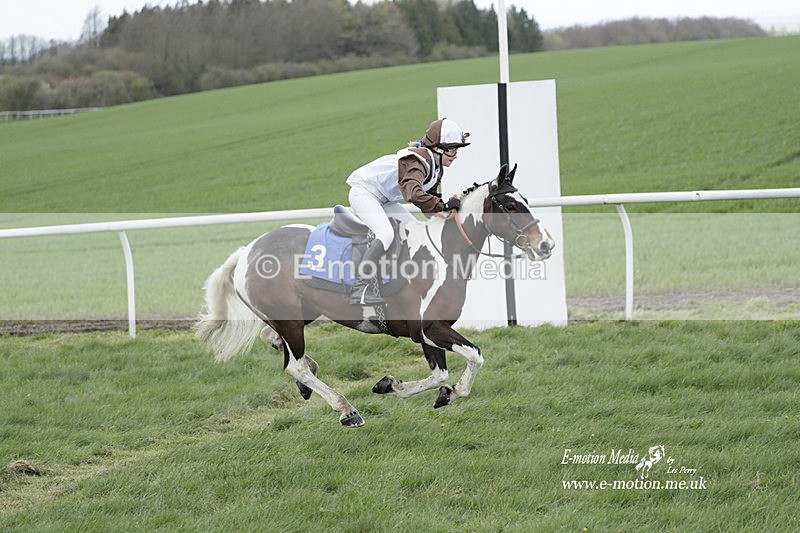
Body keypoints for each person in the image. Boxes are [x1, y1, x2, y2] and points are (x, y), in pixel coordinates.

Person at [345, 118, 470, 305]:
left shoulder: (437, 167)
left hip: (384, 199)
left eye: (457, 150)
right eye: (452, 150)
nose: (455, 155)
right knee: (385, 234)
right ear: (438, 148)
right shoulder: (417, 161)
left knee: (416, 230)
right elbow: (414, 194)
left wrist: (448, 211)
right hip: (364, 193)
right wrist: (443, 205)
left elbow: (428, 207)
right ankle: (360, 288)